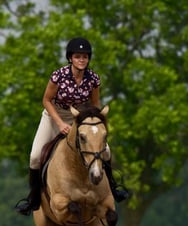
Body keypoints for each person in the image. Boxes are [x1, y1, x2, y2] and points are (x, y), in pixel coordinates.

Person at [15, 37, 130, 216]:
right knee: (35, 156)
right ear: (70, 58)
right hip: (54, 115)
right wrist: (60, 123)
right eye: (77, 56)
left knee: (105, 151)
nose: (81, 60)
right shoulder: (58, 76)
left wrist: (93, 124)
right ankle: (33, 198)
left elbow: (95, 103)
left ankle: (113, 188)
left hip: (80, 117)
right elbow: (46, 100)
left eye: (85, 57)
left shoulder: (93, 79)